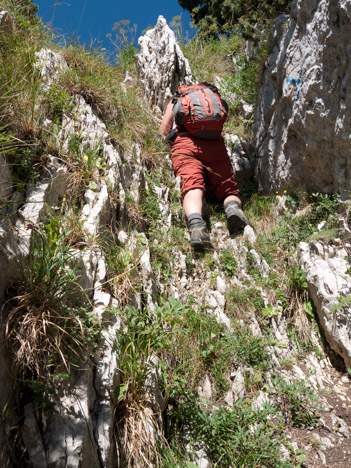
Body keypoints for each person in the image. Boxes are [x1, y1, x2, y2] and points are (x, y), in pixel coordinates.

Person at [158, 84, 251, 250]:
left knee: (193, 186)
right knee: (227, 188)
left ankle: (197, 228)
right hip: (215, 145)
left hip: (185, 144)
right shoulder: (212, 97)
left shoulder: (177, 99)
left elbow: (164, 130)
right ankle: (232, 210)